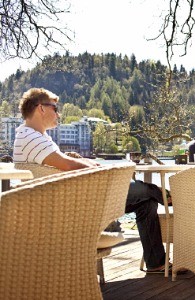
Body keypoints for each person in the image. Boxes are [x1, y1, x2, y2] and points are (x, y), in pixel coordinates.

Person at [12, 88, 170, 274]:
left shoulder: (35, 136)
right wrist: (101, 169)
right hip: (72, 205)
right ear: (41, 109)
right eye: (55, 108)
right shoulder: (30, 136)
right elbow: (67, 164)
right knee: (146, 191)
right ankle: (170, 198)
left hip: (71, 199)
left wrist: (92, 164)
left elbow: (63, 160)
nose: (58, 113)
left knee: (146, 202)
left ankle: (156, 263)